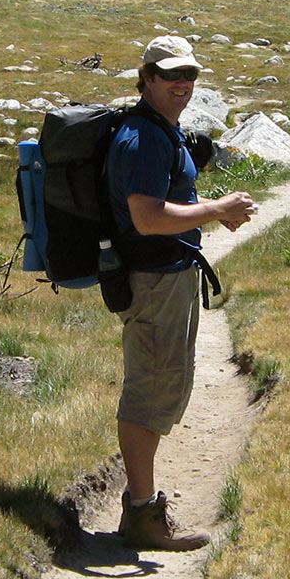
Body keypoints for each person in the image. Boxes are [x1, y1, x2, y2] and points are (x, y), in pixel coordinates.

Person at [108, 34, 256, 552]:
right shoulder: (145, 138)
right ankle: (143, 515)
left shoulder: (159, 132)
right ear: (146, 77)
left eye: (190, 74)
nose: (182, 83)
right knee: (150, 391)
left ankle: (142, 508)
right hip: (154, 280)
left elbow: (171, 204)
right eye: (170, 74)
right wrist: (216, 210)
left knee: (162, 387)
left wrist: (214, 210)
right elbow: (148, 218)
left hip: (168, 275)